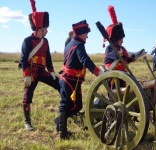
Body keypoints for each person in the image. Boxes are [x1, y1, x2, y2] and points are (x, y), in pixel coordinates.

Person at [55, 20, 103, 139]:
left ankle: (60, 122)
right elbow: (85, 60)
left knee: (77, 106)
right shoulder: (78, 44)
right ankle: (63, 133)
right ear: (81, 33)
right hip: (69, 80)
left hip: (73, 80)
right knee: (65, 105)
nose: (87, 36)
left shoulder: (71, 43)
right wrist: (99, 72)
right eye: (86, 33)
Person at [19, 0, 60, 131]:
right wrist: (26, 75)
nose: (47, 30)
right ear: (40, 27)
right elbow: (23, 60)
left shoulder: (45, 41)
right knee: (27, 97)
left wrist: (52, 71)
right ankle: (27, 122)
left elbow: (48, 58)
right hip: (32, 72)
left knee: (60, 85)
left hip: (42, 71)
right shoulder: (27, 41)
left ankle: (64, 113)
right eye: (46, 27)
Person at [103, 5, 145, 87]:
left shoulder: (122, 48)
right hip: (113, 79)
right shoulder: (109, 49)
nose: (122, 41)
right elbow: (117, 56)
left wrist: (134, 57)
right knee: (113, 98)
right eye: (121, 39)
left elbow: (125, 60)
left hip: (123, 77)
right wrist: (130, 54)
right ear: (114, 39)